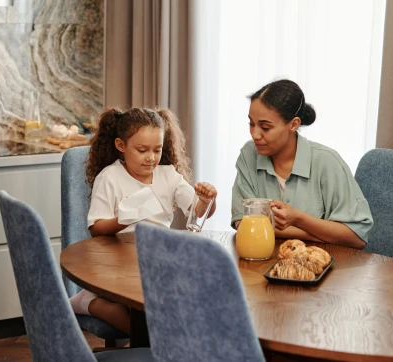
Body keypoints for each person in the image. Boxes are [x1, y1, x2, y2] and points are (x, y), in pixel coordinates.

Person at [70, 107, 218, 334]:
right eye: (142, 150)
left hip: (156, 260)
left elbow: (197, 213)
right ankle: (88, 302)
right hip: (119, 262)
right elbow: (96, 228)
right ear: (122, 146)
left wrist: (207, 200)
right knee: (139, 325)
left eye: (157, 150)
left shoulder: (168, 176)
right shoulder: (109, 178)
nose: (151, 158)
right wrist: (123, 219)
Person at [231, 79, 373, 249]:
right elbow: (243, 224)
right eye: (251, 124)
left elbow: (356, 236)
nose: (255, 134)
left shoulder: (327, 162)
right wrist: (318, 234)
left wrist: (298, 218)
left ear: (294, 124)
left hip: (321, 268)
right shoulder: (249, 155)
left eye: (265, 127)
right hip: (260, 262)